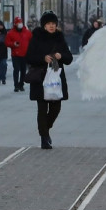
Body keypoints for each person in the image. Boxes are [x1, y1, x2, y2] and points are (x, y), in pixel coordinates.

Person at [26, 11, 73, 149]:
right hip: (40, 79)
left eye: (53, 24)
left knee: (56, 108)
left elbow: (69, 58)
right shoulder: (36, 38)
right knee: (42, 108)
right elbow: (29, 58)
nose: (51, 26)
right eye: (49, 24)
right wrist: (43, 58)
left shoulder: (59, 38)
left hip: (56, 79)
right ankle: (44, 138)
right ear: (44, 26)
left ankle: (45, 128)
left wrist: (61, 55)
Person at [6, 16, 32, 92]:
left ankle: (21, 84)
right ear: (15, 24)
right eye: (18, 23)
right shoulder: (11, 33)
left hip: (25, 54)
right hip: (15, 55)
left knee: (23, 70)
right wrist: (13, 44)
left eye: (20, 22)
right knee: (16, 70)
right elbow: (7, 42)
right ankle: (16, 85)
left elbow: (31, 41)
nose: (19, 24)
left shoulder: (27, 32)